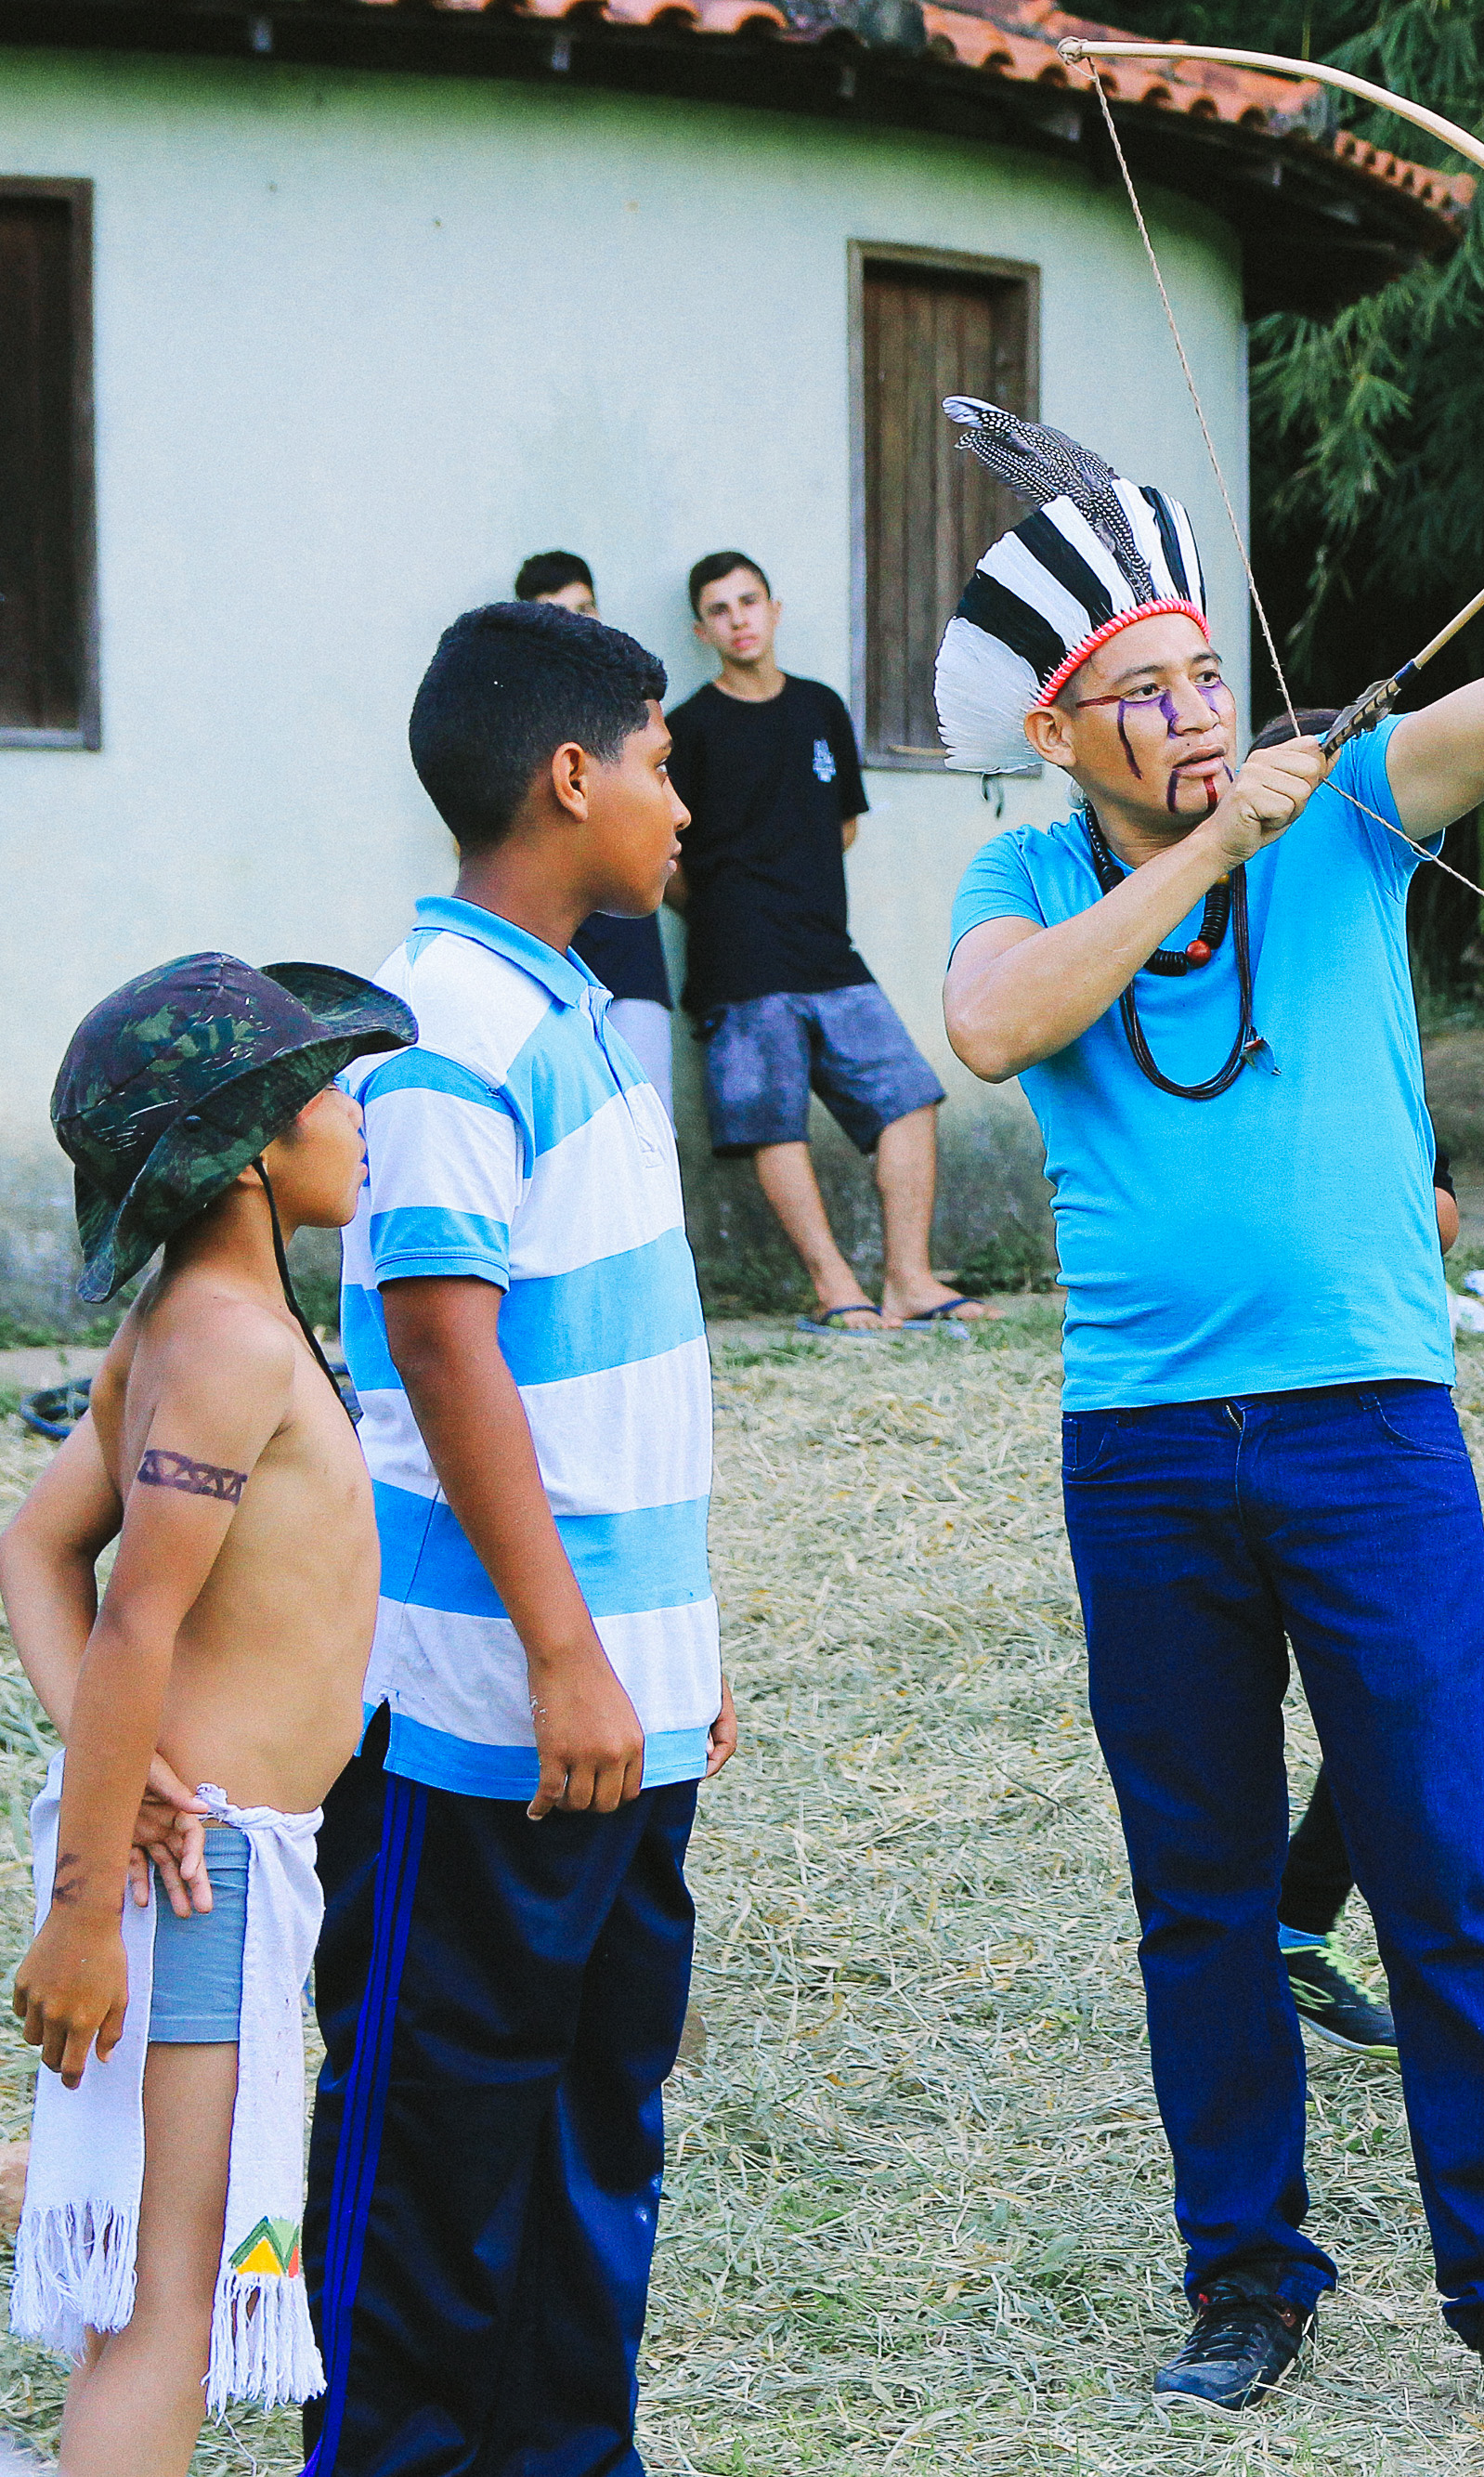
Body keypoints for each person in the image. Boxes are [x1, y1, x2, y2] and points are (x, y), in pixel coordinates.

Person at [939, 373, 1484, 2431]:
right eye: (1137, 690)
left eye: (1202, 673)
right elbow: (990, 1027)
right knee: (1200, 1885)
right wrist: (1200, 843)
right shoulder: (1030, 887)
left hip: (1367, 1424)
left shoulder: (1338, 813)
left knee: (1441, 1855)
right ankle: (1245, 2274)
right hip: (1144, 1446)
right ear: (1056, 735)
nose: (1192, 711)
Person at [306, 599, 737, 2474]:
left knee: (593, 2125)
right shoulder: (443, 1026)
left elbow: (610, 1388)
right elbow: (437, 1333)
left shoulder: (568, 1002)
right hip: (487, 1715)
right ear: (570, 775)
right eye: (658, 759)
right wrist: (564, 1650)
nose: (679, 804)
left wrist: (667, 1665)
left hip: (617, 1705)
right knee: (435, 2157)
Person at [6, 954, 413, 2471]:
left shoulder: (190, 1324)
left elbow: (30, 1553)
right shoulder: (230, 1345)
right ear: (246, 1149)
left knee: (154, 2251)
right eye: (325, 1092)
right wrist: (81, 1904)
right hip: (194, 1884)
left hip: (191, 1847)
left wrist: (138, 1782)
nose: (355, 1115)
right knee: (164, 2302)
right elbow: (129, 1614)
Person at [670, 550, 985, 1335]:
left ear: (774, 609)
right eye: (720, 608)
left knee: (910, 1099)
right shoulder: (688, 729)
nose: (738, 617)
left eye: (749, 600)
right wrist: (724, 912)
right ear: (701, 628)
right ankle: (835, 1287)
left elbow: (839, 824)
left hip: (824, 948)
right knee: (774, 1122)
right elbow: (666, 862)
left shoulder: (818, 708)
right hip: (739, 961)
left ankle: (909, 1279)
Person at [1266, 1141, 1469, 2068]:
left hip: (1368, 1402)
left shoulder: (1354, 1020)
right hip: (1180, 1410)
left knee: (1415, 1713)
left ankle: (1297, 1922)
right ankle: (1273, 1937)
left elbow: (1438, 1215)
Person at [516, 552, 682, 1098]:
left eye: (585, 609)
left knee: (648, 1122)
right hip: (543, 949)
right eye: (557, 614)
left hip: (631, 953)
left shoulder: (638, 710)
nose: (578, 625)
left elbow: (663, 818)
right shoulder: (511, 726)